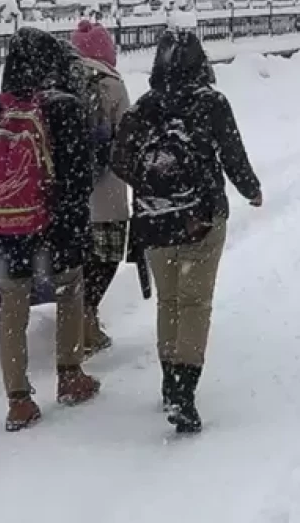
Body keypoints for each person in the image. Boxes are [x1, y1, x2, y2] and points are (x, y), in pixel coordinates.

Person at [111, 29, 262, 434]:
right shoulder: (211, 103)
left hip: (154, 219)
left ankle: (169, 381)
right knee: (195, 304)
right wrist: (251, 189)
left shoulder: (145, 106)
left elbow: (118, 158)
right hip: (200, 217)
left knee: (170, 302)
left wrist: (150, 183)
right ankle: (183, 390)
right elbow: (232, 155)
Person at [0, 27, 100, 432]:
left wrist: (7, 195)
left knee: (13, 306)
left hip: (5, 229)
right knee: (69, 291)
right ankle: (70, 375)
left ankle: (18, 400)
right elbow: (80, 174)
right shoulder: (64, 106)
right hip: (58, 226)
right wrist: (55, 206)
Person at [69, 19, 132, 355]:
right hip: (107, 193)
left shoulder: (59, 81)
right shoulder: (113, 85)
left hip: (70, 193)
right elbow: (128, 138)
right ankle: (88, 316)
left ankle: (74, 319)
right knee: (105, 258)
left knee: (76, 261)